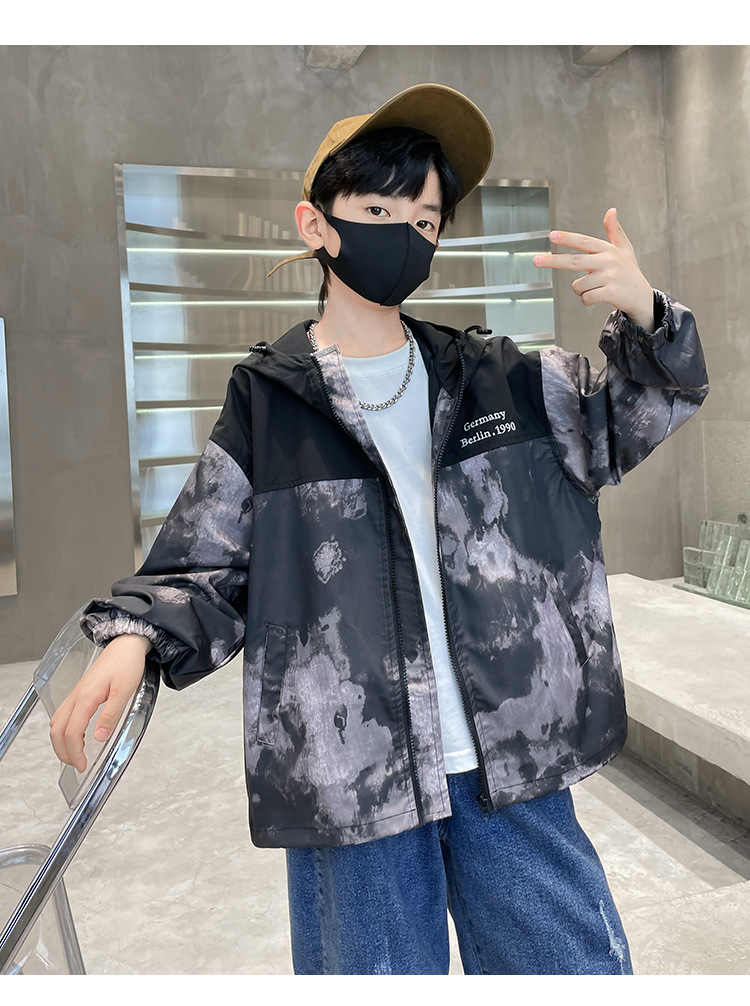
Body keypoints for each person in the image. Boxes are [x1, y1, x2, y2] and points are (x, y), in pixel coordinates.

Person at [49, 83, 709, 975]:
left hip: (512, 758)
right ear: (315, 224)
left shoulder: (499, 378)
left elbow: (638, 412)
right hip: (351, 774)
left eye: (426, 219)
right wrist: (133, 635)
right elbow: (204, 557)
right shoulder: (270, 399)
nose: (406, 232)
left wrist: (647, 313)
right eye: (377, 209)